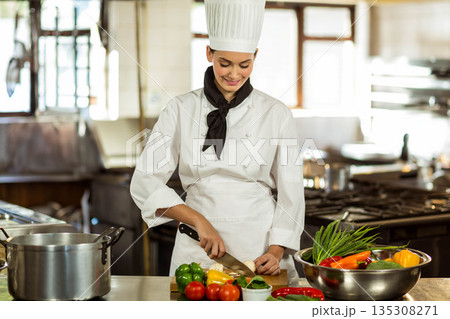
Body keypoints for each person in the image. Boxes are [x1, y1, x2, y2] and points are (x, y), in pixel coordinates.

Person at [130, 0, 304, 281]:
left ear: (255, 56)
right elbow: (144, 181)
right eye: (225, 63)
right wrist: (198, 220)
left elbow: (291, 191)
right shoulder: (178, 109)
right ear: (209, 52)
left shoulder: (277, 113)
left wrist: (275, 250)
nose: (234, 74)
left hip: (260, 247)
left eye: (244, 64)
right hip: (199, 247)